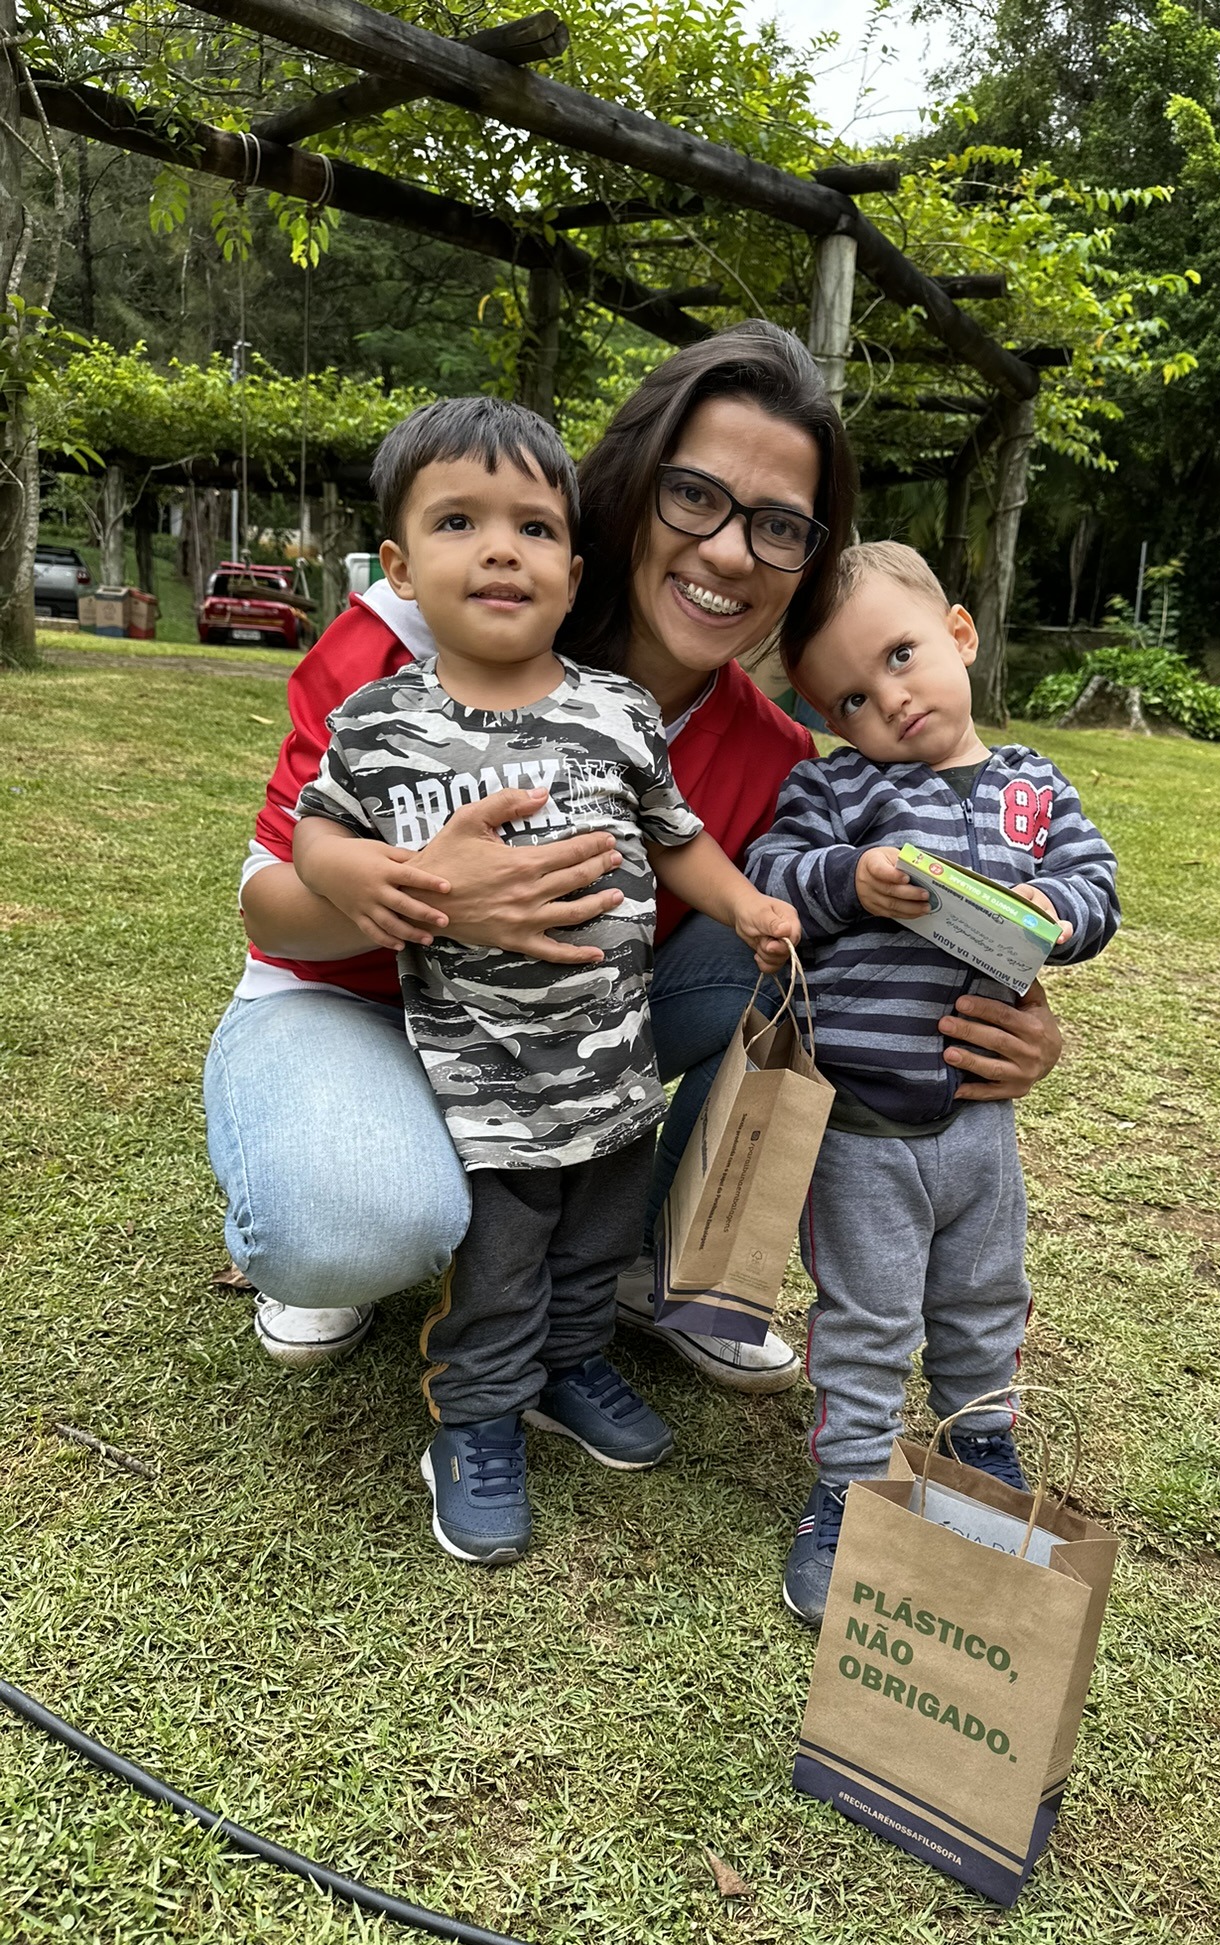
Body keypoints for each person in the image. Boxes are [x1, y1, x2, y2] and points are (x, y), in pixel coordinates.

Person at [205, 321, 1064, 1397]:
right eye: (695, 497)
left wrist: (999, 1004)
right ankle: (345, 1183)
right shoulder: (426, 631)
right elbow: (269, 908)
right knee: (358, 1223)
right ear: (629, 486)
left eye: (780, 526)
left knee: (791, 945)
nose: (729, 553)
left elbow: (853, 920)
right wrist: (435, 897)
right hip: (350, 1000)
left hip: (560, 1030)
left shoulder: (773, 751)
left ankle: (638, 1262)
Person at [294, 396, 800, 1563]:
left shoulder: (615, 710)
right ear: (400, 569)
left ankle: (574, 1365)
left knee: (593, 1240)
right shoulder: (378, 724)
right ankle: (475, 1420)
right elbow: (316, 836)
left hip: (614, 1068)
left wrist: (744, 904)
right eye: (459, 521)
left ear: (577, 569)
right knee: (504, 1260)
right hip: (481, 1084)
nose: (500, 549)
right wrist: (365, 876)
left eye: (533, 526)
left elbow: (676, 836)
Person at [746, 542, 1121, 1625]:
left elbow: (1096, 884)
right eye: (852, 696)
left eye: (903, 656)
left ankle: (977, 1442)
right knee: (864, 1320)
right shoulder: (834, 785)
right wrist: (848, 880)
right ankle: (849, 1488)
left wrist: (1055, 910)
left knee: (984, 1295)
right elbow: (772, 872)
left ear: (960, 633)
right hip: (858, 1127)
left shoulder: (1033, 785)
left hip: (981, 1123)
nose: (889, 700)